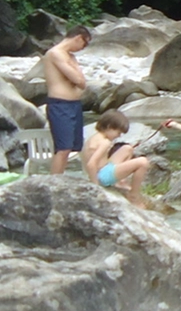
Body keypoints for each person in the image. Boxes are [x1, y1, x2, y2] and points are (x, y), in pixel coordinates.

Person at [43, 25, 92, 174]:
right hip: (60, 104)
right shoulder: (55, 54)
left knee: (73, 146)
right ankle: (55, 182)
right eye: (84, 44)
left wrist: (75, 72)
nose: (82, 48)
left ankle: (62, 177)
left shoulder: (71, 57)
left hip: (74, 105)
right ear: (78, 38)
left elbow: (82, 83)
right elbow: (76, 78)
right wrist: (74, 74)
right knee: (63, 148)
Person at [83, 109, 151, 207]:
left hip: (103, 170)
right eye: (118, 132)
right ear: (109, 127)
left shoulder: (93, 137)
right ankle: (134, 195)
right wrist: (96, 186)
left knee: (127, 148)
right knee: (143, 162)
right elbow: (91, 164)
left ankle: (121, 181)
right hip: (103, 176)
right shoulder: (104, 142)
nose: (118, 136)